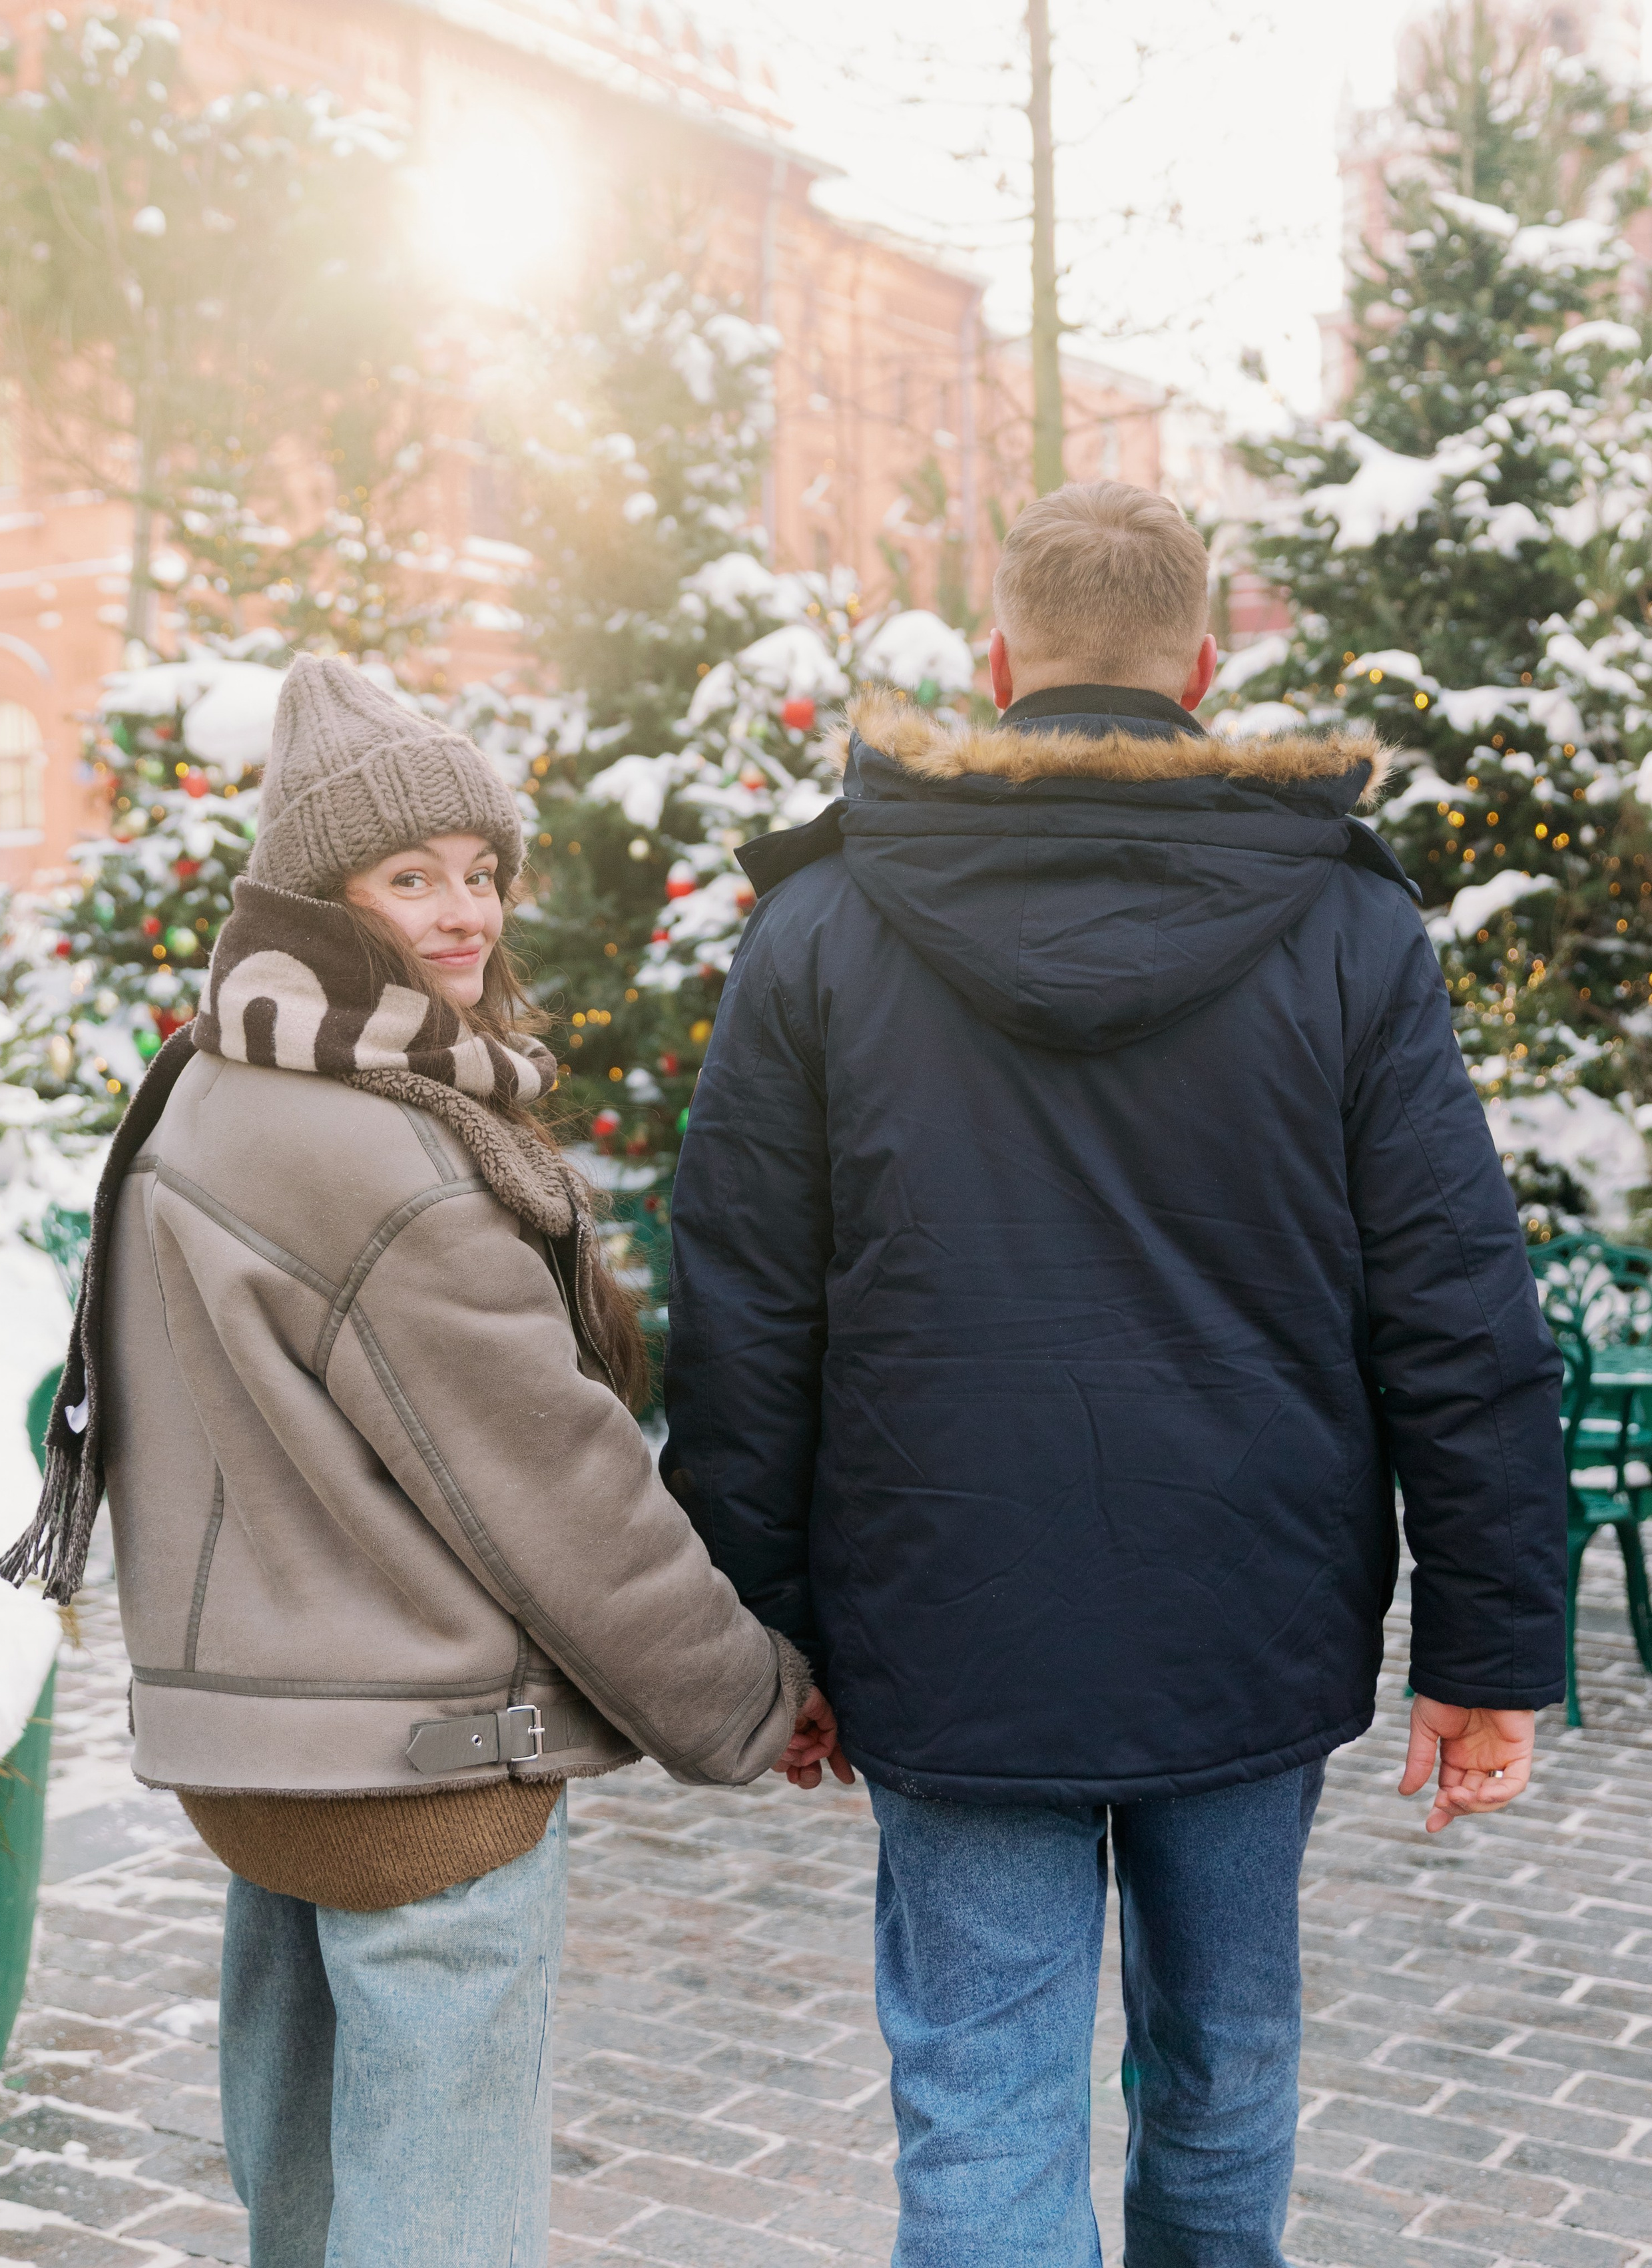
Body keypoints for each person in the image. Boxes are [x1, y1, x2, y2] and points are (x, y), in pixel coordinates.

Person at [661, 481, 1567, 2267]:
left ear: (996, 666)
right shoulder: (1348, 925)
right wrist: (1488, 1651)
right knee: (1226, 2064)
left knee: (981, 2096)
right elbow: (1458, 1300)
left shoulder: (824, 924)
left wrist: (757, 1634)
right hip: (1252, 1598)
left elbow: (744, 1309)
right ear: (1206, 671)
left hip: (944, 1606)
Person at [0, 655, 832, 2268]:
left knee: (303, 2194)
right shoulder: (379, 1145)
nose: (464, 914)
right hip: (426, 1762)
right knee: (439, 2214)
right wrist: (749, 1697)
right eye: (410, 877)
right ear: (322, 893)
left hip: (259, 1750)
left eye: (481, 873)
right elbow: (557, 1488)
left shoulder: (206, 1084)